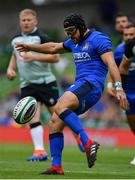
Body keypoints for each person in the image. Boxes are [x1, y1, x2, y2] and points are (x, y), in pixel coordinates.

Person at [16, 13, 128, 175]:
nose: (70, 36)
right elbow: (53, 47)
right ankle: (56, 166)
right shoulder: (74, 42)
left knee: (60, 105)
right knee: (55, 121)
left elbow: (111, 63)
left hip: (91, 85)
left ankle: (87, 142)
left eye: (72, 31)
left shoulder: (99, 39)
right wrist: (30, 47)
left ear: (81, 28)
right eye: (67, 32)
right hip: (81, 89)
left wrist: (119, 88)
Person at [7, 9, 60, 162]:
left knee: (58, 116)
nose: (26, 23)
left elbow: (55, 57)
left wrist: (34, 56)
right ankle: (39, 151)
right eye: (23, 20)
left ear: (35, 22)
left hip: (46, 83)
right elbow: (14, 55)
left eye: (29, 20)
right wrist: (11, 69)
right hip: (27, 85)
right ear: (20, 22)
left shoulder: (42, 38)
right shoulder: (15, 39)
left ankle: (79, 138)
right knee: (32, 117)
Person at [119, 36, 135, 165]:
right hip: (130, 93)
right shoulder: (131, 45)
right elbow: (123, 68)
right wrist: (121, 90)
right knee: (133, 124)